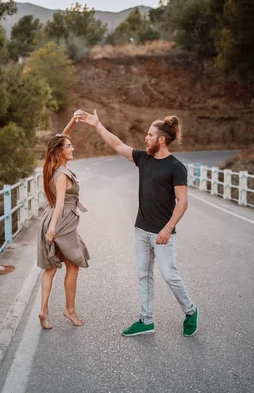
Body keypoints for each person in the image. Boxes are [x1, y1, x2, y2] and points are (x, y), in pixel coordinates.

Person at [74, 109, 198, 337]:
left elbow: (183, 202)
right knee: (144, 275)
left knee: (169, 275)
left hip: (162, 233)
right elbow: (119, 145)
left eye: (150, 135)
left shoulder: (175, 167)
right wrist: (97, 125)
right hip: (141, 229)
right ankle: (146, 320)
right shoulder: (144, 158)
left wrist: (168, 229)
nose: (145, 138)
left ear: (161, 139)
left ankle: (190, 311)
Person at [37, 116, 90, 330]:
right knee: (74, 265)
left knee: (50, 269)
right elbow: (59, 203)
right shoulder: (62, 175)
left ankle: (43, 310)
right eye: (69, 146)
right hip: (61, 223)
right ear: (61, 152)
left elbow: (61, 138)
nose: (73, 148)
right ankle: (69, 310)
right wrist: (52, 230)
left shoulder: (54, 166)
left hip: (54, 220)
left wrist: (71, 122)